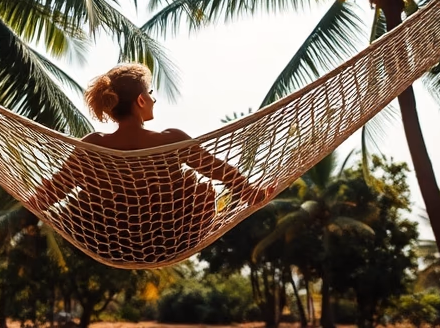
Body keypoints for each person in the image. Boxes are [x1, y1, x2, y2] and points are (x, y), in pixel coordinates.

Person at [29, 63, 268, 263]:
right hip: (174, 239)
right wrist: (251, 193)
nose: (154, 99)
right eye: (151, 93)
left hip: (111, 243)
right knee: (200, 191)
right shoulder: (171, 140)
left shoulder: (93, 147)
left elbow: (53, 190)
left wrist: (28, 202)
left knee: (87, 201)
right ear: (141, 100)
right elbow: (219, 171)